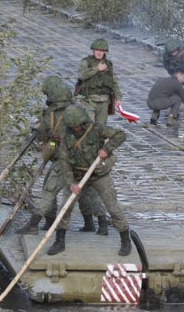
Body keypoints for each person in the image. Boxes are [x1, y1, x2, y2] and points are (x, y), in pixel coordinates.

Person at [22, 78, 109, 235]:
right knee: (89, 192)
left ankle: (35, 223)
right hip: (84, 160)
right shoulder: (79, 112)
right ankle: (100, 223)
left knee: (49, 190)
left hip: (63, 161)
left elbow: (42, 137)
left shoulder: (50, 117)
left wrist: (50, 136)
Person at [50, 105, 132, 256]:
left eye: (77, 126)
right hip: (77, 176)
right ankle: (59, 241)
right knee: (65, 208)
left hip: (98, 175)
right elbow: (64, 162)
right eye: (72, 126)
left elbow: (120, 135)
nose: (75, 129)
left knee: (112, 206)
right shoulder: (65, 136)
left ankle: (125, 240)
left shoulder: (96, 129)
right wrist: (71, 183)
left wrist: (106, 149)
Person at [75, 38, 121, 125]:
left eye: (102, 50)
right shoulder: (86, 62)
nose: (99, 53)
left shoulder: (109, 64)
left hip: (104, 101)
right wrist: (97, 69)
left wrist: (118, 98)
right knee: (89, 126)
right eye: (97, 50)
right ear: (93, 50)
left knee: (101, 128)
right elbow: (82, 75)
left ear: (105, 52)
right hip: (89, 100)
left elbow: (114, 82)